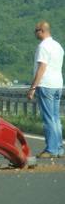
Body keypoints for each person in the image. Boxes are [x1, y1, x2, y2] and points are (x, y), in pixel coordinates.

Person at [27, 20, 64, 158]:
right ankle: (59, 148)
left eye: (36, 30)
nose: (35, 33)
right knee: (55, 118)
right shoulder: (58, 46)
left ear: (42, 30)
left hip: (46, 84)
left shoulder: (43, 46)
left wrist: (33, 88)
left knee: (48, 118)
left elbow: (42, 68)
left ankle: (51, 149)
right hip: (58, 84)